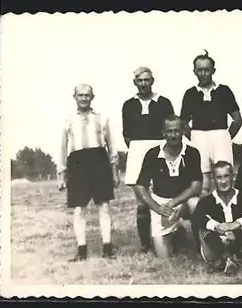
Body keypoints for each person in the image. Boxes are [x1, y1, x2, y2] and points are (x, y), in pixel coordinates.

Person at [58, 84, 120, 261]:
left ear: (92, 97)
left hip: (99, 160)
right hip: (77, 163)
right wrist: (62, 173)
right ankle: (81, 250)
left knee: (104, 205)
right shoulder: (68, 120)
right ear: (74, 97)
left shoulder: (101, 118)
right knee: (79, 208)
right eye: (80, 95)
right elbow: (63, 148)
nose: (84, 98)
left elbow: (112, 146)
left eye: (87, 95)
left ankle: (107, 248)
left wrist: (114, 171)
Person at [122, 66, 176, 253]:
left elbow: (171, 128)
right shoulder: (128, 105)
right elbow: (127, 135)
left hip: (160, 150)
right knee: (142, 200)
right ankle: (146, 243)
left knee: (164, 193)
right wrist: (139, 150)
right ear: (135, 82)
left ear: (152, 81)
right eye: (140, 80)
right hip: (138, 150)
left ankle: (168, 236)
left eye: (147, 80)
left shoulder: (164, 102)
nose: (144, 84)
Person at [133, 115, 202, 257]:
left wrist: (175, 202)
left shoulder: (192, 153)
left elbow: (196, 186)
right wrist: (158, 208)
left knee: (195, 203)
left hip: (183, 203)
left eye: (177, 131)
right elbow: (140, 186)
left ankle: (200, 245)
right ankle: (174, 235)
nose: (173, 135)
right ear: (163, 133)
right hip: (161, 205)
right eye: (169, 131)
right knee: (163, 257)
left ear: (183, 131)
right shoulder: (152, 154)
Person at [180, 50, 242, 197]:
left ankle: (226, 215)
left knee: (224, 180)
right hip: (198, 137)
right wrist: (195, 138)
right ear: (194, 71)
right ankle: (206, 216)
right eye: (199, 70)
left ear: (213, 70)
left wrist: (225, 137)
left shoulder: (224, 91)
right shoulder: (190, 93)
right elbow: (183, 123)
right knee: (203, 183)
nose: (203, 74)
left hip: (221, 136)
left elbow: (238, 120)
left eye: (206, 70)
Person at [191, 161, 242, 275]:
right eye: (219, 177)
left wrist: (235, 225)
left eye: (226, 176)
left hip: (240, 244)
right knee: (203, 228)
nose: (223, 181)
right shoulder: (207, 201)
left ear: (233, 177)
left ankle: (227, 260)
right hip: (215, 246)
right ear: (213, 179)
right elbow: (196, 218)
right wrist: (218, 228)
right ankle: (227, 258)